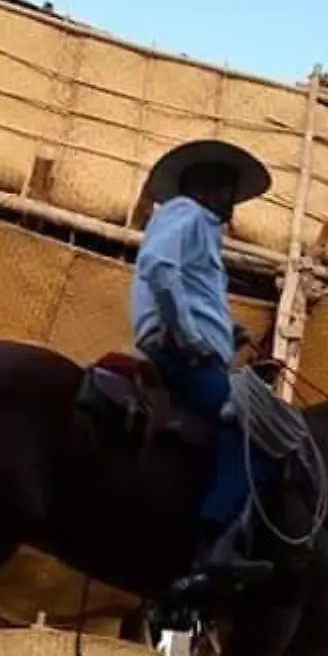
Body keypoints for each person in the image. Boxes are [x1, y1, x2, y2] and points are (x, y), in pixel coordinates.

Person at [131, 138, 278, 597]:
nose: (232, 200)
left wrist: (229, 331)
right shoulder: (187, 213)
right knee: (256, 433)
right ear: (210, 189)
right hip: (180, 353)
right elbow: (158, 267)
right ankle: (215, 544)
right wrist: (193, 337)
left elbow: (189, 287)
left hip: (190, 350)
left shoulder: (198, 229)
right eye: (229, 189)